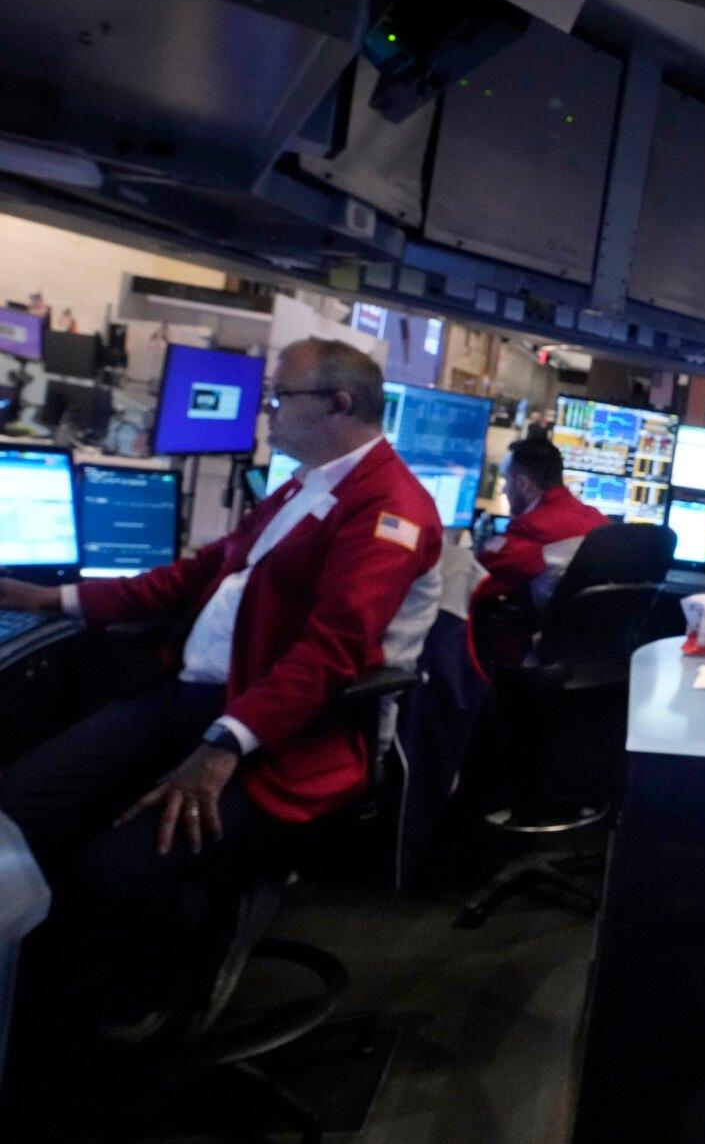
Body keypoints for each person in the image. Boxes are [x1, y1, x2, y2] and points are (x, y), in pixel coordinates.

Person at [0, 338, 443, 1038]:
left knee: (112, 870)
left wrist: (222, 744)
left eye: (279, 397)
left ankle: (121, 1030)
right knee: (16, 811)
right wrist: (53, 599)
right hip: (198, 700)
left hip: (282, 735)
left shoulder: (391, 506)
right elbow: (198, 573)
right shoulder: (301, 485)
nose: (266, 413)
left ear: (338, 403)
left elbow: (330, 650)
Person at [470, 436, 608, 671]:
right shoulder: (598, 520)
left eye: (506, 480)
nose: (503, 490)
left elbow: (478, 580)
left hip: (544, 663)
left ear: (523, 484)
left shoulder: (532, 528)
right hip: (599, 661)